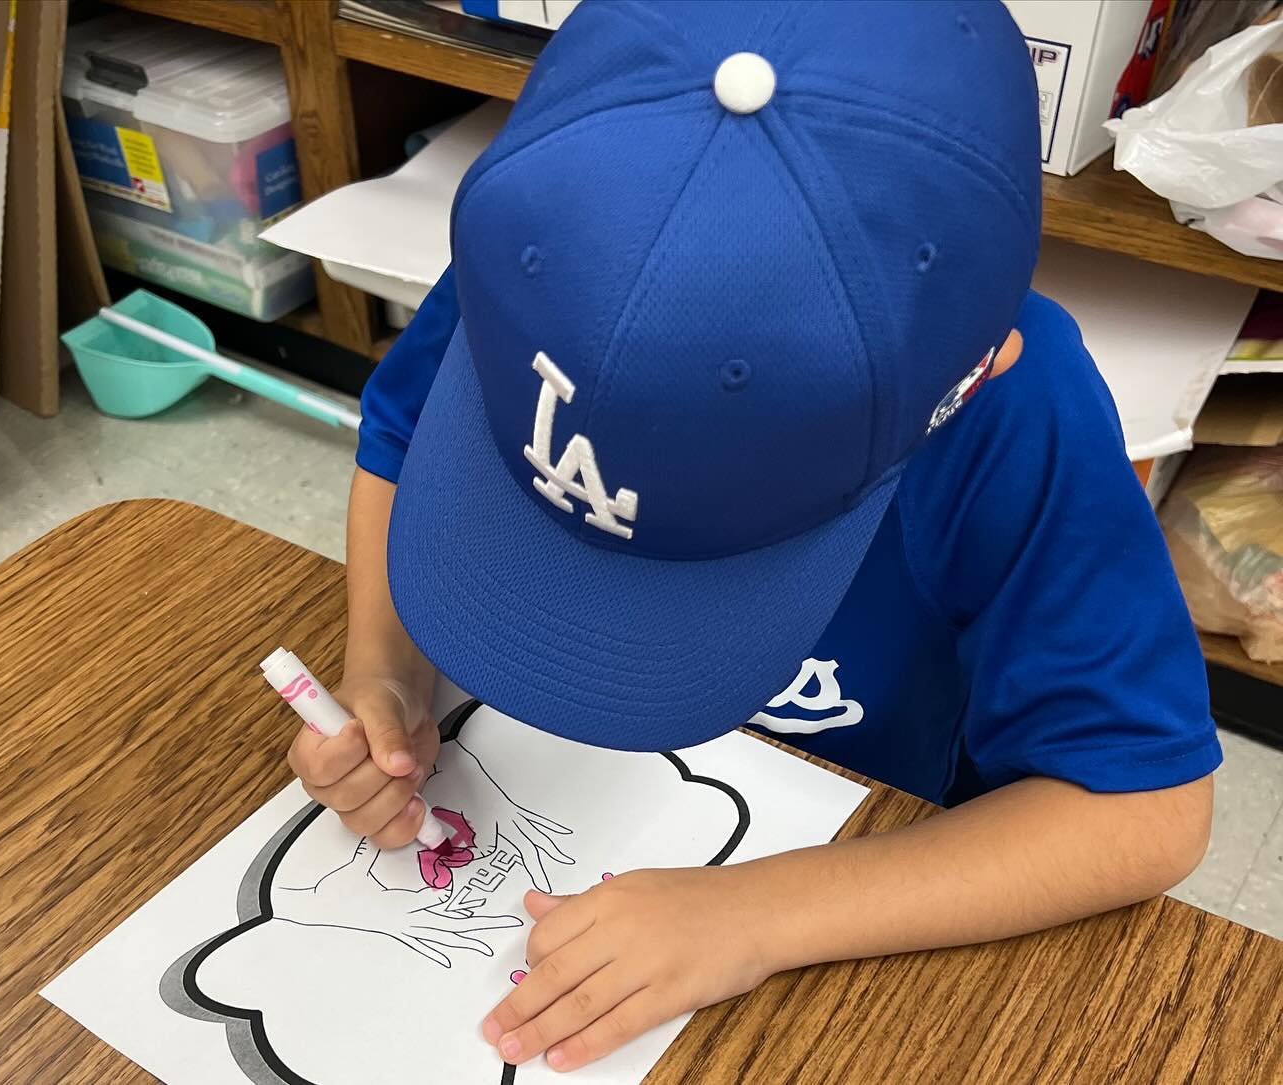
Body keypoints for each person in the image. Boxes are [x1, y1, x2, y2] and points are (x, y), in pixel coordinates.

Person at [287, 0, 1218, 1073]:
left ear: (971, 375)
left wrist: (757, 916)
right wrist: (387, 675)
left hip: (838, 916)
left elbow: (1146, 811)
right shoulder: (558, 259)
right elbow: (400, 437)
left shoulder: (1020, 412)